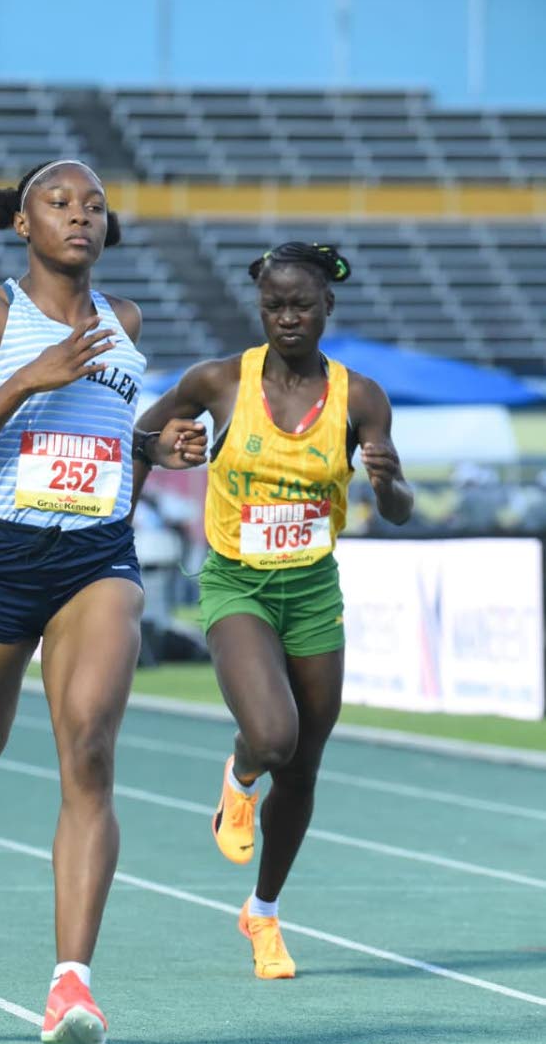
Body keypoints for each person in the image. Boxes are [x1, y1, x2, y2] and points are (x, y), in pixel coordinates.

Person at [0, 159, 205, 1044]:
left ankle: (70, 984)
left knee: (89, 751)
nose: (80, 216)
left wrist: (153, 447)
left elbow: (115, 457)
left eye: (94, 205)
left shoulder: (124, 322)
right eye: (58, 204)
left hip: (97, 556)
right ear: (23, 225)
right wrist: (28, 379)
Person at [134, 241, 413, 980]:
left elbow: (399, 507)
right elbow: (140, 435)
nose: (286, 318)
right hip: (237, 585)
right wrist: (166, 450)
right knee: (272, 735)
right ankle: (237, 771)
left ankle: (262, 914)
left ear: (327, 307)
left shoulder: (360, 398)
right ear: (260, 309)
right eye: (272, 306)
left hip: (313, 588)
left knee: (304, 767)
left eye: (300, 305)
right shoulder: (220, 381)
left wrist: (387, 483)